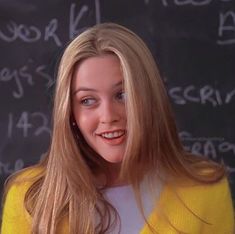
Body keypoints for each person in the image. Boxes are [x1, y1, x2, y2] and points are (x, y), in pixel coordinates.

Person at [1, 23, 234, 234]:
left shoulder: (205, 189)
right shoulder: (29, 197)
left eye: (123, 95)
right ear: (69, 113)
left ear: (150, 99)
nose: (108, 116)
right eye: (87, 100)